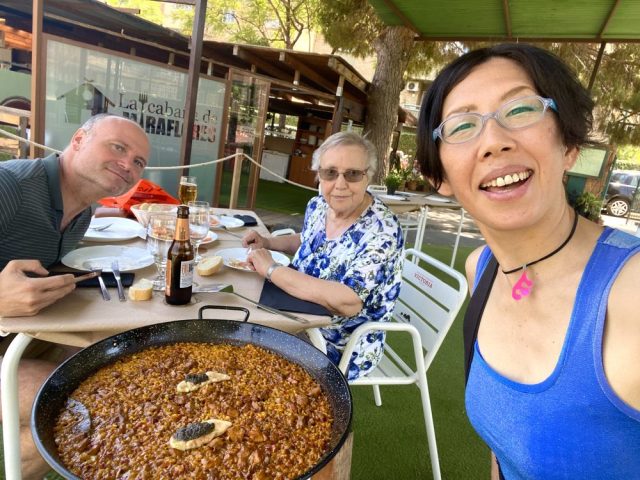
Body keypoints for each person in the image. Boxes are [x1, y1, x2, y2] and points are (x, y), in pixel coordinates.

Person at [416, 43, 640, 479]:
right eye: (462, 126)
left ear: (568, 144)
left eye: (520, 110)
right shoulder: (481, 269)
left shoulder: (631, 294)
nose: (494, 141)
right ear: (438, 176)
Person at [0, 113, 150, 478]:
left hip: (16, 334)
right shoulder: (9, 186)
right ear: (79, 140)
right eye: (118, 147)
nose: (127, 165)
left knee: (113, 364)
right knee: (80, 404)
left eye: (138, 162)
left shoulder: (82, 214)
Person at [243, 131, 404, 380]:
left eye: (352, 174)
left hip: (339, 342)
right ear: (319, 174)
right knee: (236, 319)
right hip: (296, 311)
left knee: (252, 361)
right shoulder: (319, 205)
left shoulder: (383, 231)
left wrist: (273, 270)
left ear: (368, 176)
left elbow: (348, 302)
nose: (340, 184)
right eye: (330, 173)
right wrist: (268, 242)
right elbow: (307, 239)